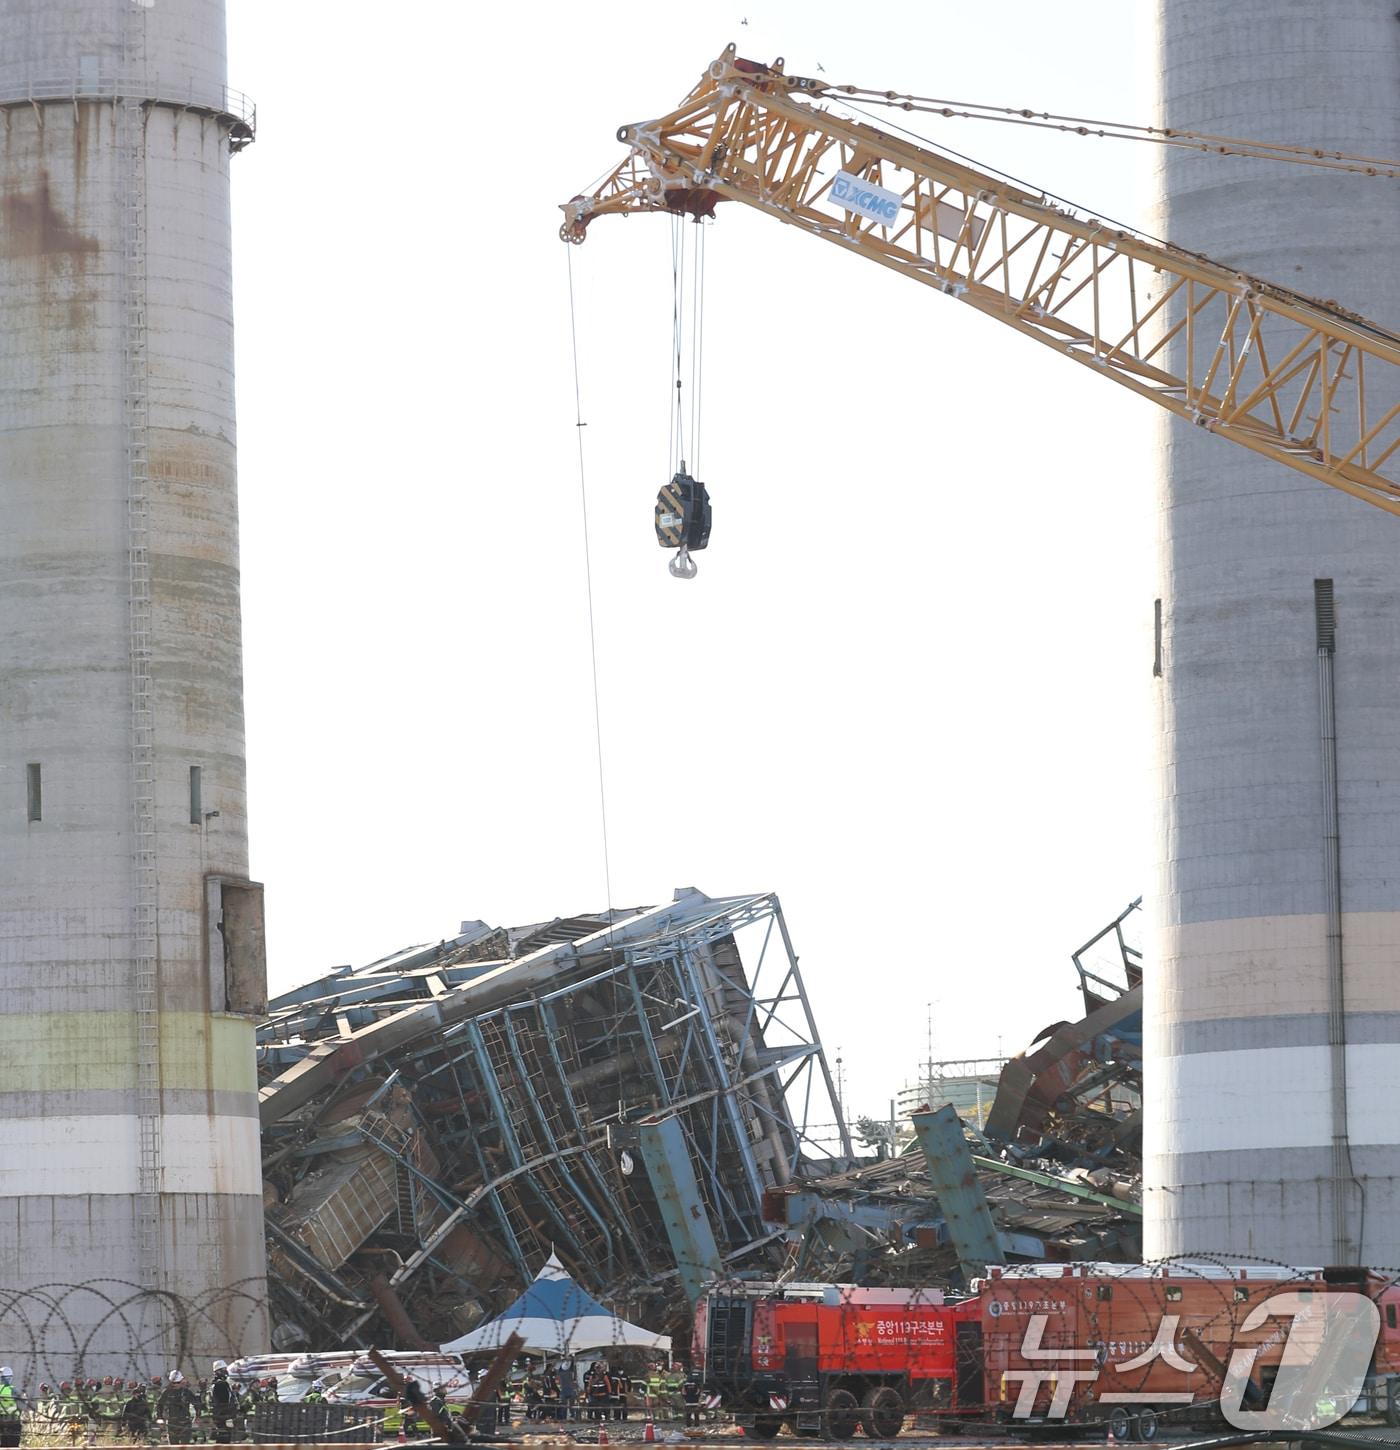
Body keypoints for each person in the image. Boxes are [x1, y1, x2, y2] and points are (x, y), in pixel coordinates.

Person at [157, 1369, 200, 1444]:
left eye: (177, 1382)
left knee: (185, 1446)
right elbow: (159, 1405)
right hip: (172, 1424)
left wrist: (197, 1416)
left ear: (181, 1381)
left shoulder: (186, 1392)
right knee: (174, 1447)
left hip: (185, 1424)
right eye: (174, 1383)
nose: (176, 1384)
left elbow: (196, 1404)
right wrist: (160, 1418)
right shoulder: (166, 1392)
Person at [209, 1362, 236, 1444]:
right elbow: (224, 1402)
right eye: (224, 1370)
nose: (226, 1372)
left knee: (222, 1438)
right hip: (223, 1417)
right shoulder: (220, 1384)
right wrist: (228, 1417)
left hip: (219, 1417)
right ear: (218, 1371)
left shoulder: (216, 1383)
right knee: (224, 1439)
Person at [0, 1367, 22, 1450]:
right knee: (13, 1447)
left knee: (2, 1446)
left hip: (1, 1422)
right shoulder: (13, 1390)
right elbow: (23, 1406)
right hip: (13, 1422)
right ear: (10, 1377)